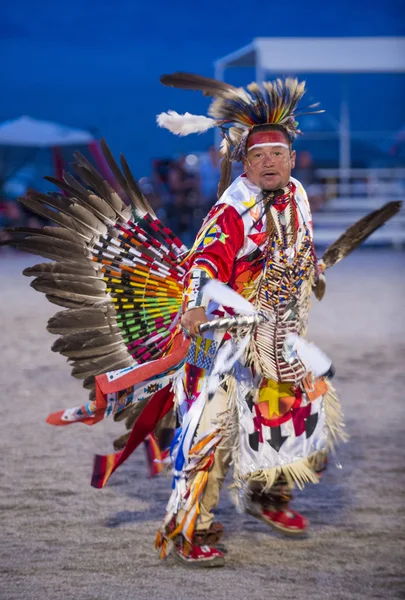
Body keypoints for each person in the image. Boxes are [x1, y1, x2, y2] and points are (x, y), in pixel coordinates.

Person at [7, 74, 399, 571]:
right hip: (217, 341)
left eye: (277, 153)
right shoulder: (232, 209)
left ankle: (267, 494)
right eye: (258, 157)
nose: (269, 162)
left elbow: (294, 248)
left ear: (293, 157)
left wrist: (307, 271)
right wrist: (195, 304)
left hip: (273, 334)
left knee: (302, 411)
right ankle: (189, 530)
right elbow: (205, 262)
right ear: (245, 163)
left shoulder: (297, 196)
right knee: (208, 435)